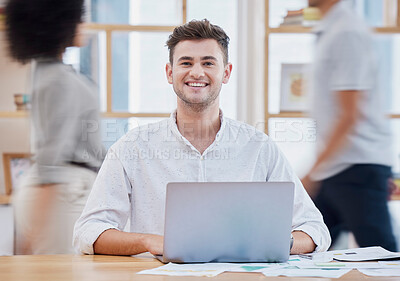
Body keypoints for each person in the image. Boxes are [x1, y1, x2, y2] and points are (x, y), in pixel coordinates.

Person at [73, 19, 331, 256]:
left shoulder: (259, 148)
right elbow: (88, 231)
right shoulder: (132, 147)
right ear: (169, 73)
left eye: (208, 63)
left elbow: (315, 230)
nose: (197, 72)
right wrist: (150, 241)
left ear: (226, 73)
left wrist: (276, 241)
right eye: (186, 63)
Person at [5, 0, 106, 254]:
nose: (84, 25)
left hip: (64, 190)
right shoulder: (57, 80)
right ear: (60, 23)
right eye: (79, 18)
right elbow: (51, 162)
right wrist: (31, 235)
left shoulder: (48, 72)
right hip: (62, 193)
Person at [302, 0, 397, 251]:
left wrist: (312, 172)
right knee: (309, 247)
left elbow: (349, 115)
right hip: (340, 167)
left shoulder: (346, 32)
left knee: (381, 257)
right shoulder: (332, 29)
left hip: (355, 166)